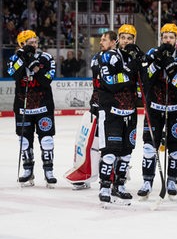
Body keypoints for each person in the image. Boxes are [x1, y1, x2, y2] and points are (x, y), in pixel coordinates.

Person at [137, 24, 177, 198]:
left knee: (176, 148)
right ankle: (147, 180)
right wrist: (158, 61)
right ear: (161, 38)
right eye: (165, 36)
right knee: (148, 147)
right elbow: (146, 78)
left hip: (176, 110)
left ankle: (172, 180)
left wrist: (170, 66)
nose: (167, 40)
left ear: (176, 40)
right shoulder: (153, 53)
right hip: (154, 109)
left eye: (171, 37)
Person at [96, 25, 144, 204]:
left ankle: (120, 184)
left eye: (129, 38)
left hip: (130, 112)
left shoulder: (135, 57)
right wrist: (131, 69)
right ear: (117, 40)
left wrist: (141, 60)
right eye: (123, 37)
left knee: (126, 153)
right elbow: (110, 82)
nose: (126, 41)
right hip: (111, 112)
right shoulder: (108, 56)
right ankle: (105, 186)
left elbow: (145, 81)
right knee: (109, 153)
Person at [7, 30, 57, 187]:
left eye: (35, 42)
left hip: (44, 106)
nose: (35, 45)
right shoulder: (15, 58)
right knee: (24, 140)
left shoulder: (46, 58)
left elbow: (46, 80)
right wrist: (24, 59)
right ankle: (28, 170)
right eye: (30, 43)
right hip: (23, 107)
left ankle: (49, 171)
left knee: (47, 139)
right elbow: (12, 74)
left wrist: (36, 67)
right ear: (22, 44)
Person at [63, 32, 110, 190]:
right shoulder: (97, 57)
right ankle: (88, 172)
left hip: (113, 108)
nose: (101, 42)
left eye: (104, 40)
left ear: (113, 42)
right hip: (97, 106)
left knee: (111, 144)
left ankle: (114, 175)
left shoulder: (117, 57)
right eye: (101, 39)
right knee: (94, 142)